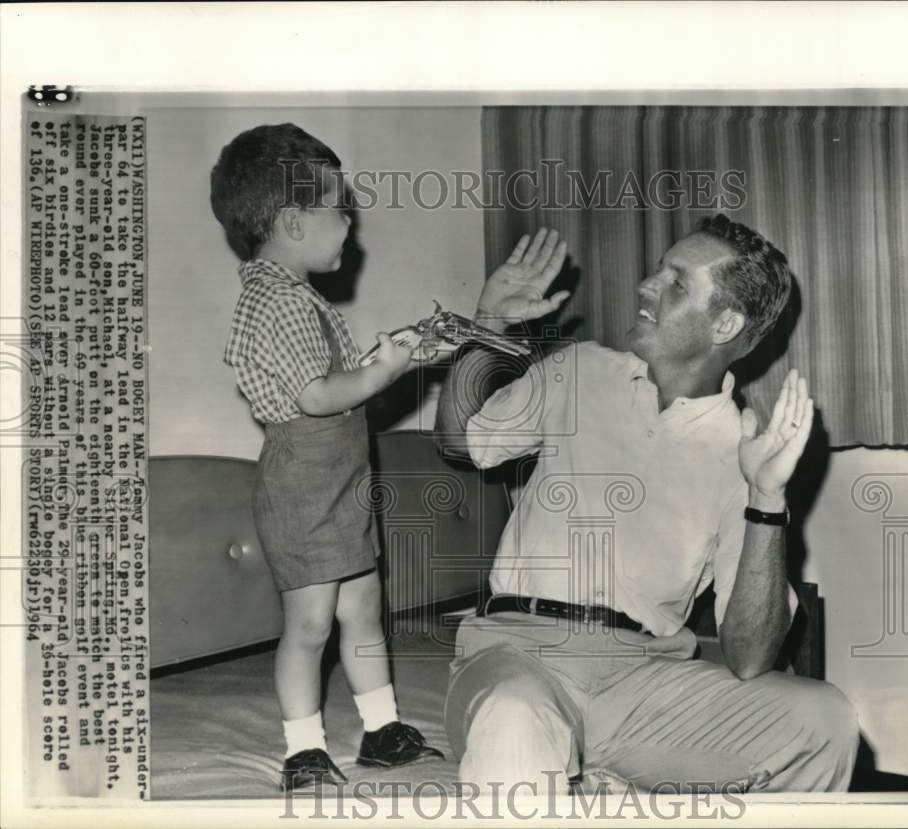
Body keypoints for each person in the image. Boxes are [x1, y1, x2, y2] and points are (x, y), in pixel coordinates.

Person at [435, 218, 860, 794]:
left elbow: (752, 656)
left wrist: (766, 496)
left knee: (823, 719)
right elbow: (462, 442)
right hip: (517, 653)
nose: (644, 285)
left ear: (725, 323)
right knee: (515, 717)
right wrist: (487, 324)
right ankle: (586, 774)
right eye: (659, 269)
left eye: (676, 282)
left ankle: (601, 774)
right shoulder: (577, 370)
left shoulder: (745, 451)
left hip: (641, 681)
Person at [211, 123, 443, 791]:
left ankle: (381, 728)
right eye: (339, 209)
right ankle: (304, 747)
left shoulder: (294, 294)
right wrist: (386, 373)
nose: (349, 223)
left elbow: (328, 381)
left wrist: (384, 358)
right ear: (292, 221)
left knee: (363, 606)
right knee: (309, 622)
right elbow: (316, 397)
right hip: (305, 488)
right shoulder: (277, 300)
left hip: (339, 480)